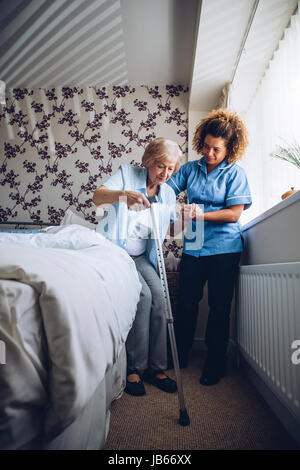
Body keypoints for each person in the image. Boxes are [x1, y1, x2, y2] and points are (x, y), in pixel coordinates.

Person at [167, 108, 252, 386]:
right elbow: (167, 188)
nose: (209, 153)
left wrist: (199, 215)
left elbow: (234, 214)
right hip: (194, 247)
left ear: (230, 148)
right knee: (187, 302)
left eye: (216, 149)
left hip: (225, 248)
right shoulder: (191, 169)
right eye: (205, 146)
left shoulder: (235, 173)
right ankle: (179, 355)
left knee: (219, 306)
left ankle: (215, 363)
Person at [93, 137, 182, 396]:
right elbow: (98, 197)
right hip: (117, 251)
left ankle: (157, 367)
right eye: (160, 166)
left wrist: (186, 220)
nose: (165, 173)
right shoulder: (126, 174)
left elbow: (173, 229)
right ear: (148, 161)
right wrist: (124, 196)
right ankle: (135, 368)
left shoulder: (168, 193)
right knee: (141, 296)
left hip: (143, 256)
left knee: (159, 297)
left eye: (171, 169)